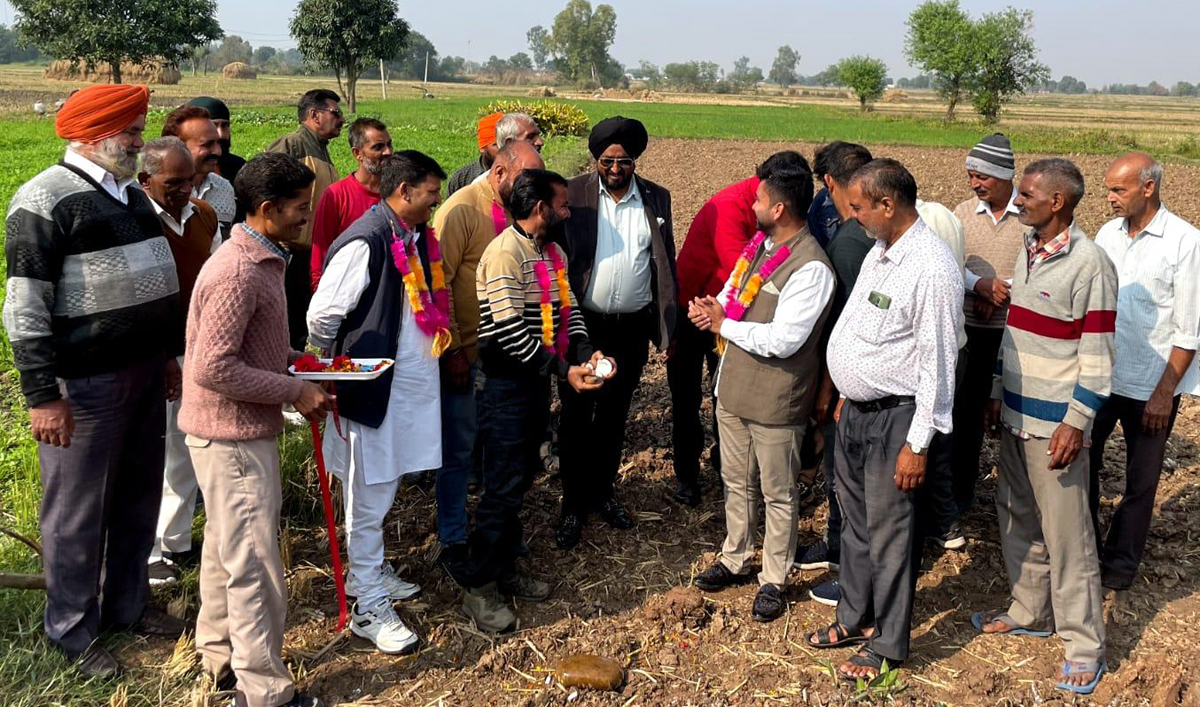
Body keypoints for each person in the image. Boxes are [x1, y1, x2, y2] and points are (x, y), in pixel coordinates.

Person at [3, 83, 186, 677]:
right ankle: (71, 631)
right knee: (77, 512)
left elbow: (149, 285)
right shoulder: (44, 199)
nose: (140, 141)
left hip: (139, 374)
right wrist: (42, 396)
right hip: (83, 387)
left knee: (137, 498)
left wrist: (162, 356)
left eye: (137, 129)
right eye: (131, 131)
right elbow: (26, 307)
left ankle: (126, 608)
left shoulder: (130, 195)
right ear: (90, 133)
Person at [181, 152, 334, 707]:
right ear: (266, 209)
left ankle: (220, 659)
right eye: (299, 207)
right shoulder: (240, 270)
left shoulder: (260, 256)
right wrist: (294, 390)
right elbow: (213, 367)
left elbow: (248, 349)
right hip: (233, 437)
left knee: (227, 551)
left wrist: (299, 362)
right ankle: (264, 689)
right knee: (255, 569)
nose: (306, 216)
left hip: (228, 431)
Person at [807, 159, 962, 682]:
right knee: (854, 524)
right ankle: (854, 616)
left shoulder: (931, 267)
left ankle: (890, 644)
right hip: (856, 413)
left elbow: (939, 362)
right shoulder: (881, 252)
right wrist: (846, 389)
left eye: (858, 208)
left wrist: (918, 444)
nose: (852, 219)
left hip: (896, 421)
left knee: (891, 534)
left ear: (887, 205)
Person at [978, 158, 1114, 695]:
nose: (1018, 201)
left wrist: (1076, 423)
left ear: (1057, 201)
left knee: (1069, 538)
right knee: (1016, 517)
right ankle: (1030, 610)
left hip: (1054, 425)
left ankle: (1084, 645)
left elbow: (1098, 358)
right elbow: (1012, 332)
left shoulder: (1090, 265)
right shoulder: (1029, 247)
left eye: (1028, 194)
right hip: (1014, 413)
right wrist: (994, 391)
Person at [307, 152, 447, 654]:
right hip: (370, 392)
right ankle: (366, 604)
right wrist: (335, 370)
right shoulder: (367, 240)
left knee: (382, 492)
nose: (437, 201)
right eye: (432, 192)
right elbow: (322, 317)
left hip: (403, 393)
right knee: (366, 501)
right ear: (405, 191)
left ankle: (373, 574)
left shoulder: (410, 237)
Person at [688, 152, 835, 622]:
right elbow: (733, 298)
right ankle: (735, 557)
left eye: (759, 199)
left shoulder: (812, 268)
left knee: (778, 492)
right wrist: (714, 310)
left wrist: (723, 326)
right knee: (736, 481)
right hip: (734, 391)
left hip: (775, 400)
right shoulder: (759, 248)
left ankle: (773, 577)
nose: (751, 205)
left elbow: (785, 340)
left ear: (780, 210)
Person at [464, 168, 608, 632]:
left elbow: (568, 315)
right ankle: (479, 588)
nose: (569, 210)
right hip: (505, 388)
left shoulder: (552, 253)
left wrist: (587, 353)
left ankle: (504, 569)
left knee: (521, 478)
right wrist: (563, 370)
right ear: (541, 208)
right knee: (502, 486)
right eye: (563, 204)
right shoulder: (505, 254)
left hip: (533, 384)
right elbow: (509, 333)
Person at [556, 116, 677, 550]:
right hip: (583, 326)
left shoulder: (656, 199)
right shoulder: (574, 194)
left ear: (635, 161)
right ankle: (572, 505)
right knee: (575, 417)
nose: (614, 168)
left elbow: (666, 265)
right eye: (607, 160)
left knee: (613, 417)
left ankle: (604, 493)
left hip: (629, 329)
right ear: (595, 159)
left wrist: (667, 328)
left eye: (623, 161)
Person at [431, 140, 545, 577]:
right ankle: (455, 538)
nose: (531, 188)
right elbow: (437, 285)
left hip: (507, 359)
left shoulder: (523, 220)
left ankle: (500, 532)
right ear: (499, 173)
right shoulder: (462, 210)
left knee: (502, 455)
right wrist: (454, 350)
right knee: (460, 452)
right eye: (525, 177)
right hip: (469, 354)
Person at [1091, 153, 1200, 591]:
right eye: (1109, 190)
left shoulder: (1185, 242)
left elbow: (1190, 329)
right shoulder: (1106, 235)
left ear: (1148, 187)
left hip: (1151, 383)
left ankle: (1120, 563)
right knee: (1083, 467)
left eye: (1119, 190)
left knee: (1141, 481)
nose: (1111, 199)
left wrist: (1163, 392)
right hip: (1101, 378)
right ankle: (1085, 550)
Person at [138, 137, 222, 587]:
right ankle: (148, 550)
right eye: (173, 183)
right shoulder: (135, 219)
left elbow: (217, 274)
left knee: (185, 444)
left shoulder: (204, 216)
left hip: (198, 346)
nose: (184, 191)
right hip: (154, 349)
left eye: (189, 181)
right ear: (144, 180)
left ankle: (173, 541)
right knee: (152, 447)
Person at [793, 141, 874, 607]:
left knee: (849, 478)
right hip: (852, 378)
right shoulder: (870, 233)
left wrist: (826, 390)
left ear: (829, 183)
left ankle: (852, 570)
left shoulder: (848, 242)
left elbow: (839, 326)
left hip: (849, 380)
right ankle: (837, 545)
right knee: (841, 474)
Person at [668, 169, 760, 505]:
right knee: (687, 398)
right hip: (693, 309)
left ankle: (727, 470)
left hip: (727, 313)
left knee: (729, 398)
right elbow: (741, 269)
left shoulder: (764, 202)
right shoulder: (733, 205)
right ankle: (688, 476)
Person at [951, 133, 1025, 519]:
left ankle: (1016, 501)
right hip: (971, 330)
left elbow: (1041, 269)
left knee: (1012, 416)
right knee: (965, 414)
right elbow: (949, 262)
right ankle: (961, 494)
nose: (975, 184)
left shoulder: (1030, 216)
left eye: (983, 177)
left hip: (1014, 333)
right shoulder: (962, 214)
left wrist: (999, 291)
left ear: (1005, 176)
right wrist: (978, 285)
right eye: (971, 175)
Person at [267, 88, 344, 349]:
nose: (341, 119)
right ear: (314, 115)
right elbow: (264, 188)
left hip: (311, 256)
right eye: (335, 113)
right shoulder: (293, 144)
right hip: (288, 255)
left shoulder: (322, 149)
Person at [309, 117, 394, 289]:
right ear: (357, 154)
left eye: (389, 145)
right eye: (378, 147)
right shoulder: (336, 195)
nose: (388, 152)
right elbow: (320, 257)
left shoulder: (398, 192)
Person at [161, 104, 237, 239]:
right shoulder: (152, 192)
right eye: (207, 145)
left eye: (218, 143)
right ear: (176, 146)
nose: (218, 152)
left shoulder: (224, 188)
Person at [187, 96, 246, 183]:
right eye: (214, 125)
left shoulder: (239, 168)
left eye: (225, 126)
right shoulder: (178, 172)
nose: (220, 134)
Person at [446, 112, 502, 196]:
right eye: (496, 144)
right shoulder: (461, 179)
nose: (503, 148)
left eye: (506, 142)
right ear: (482, 148)